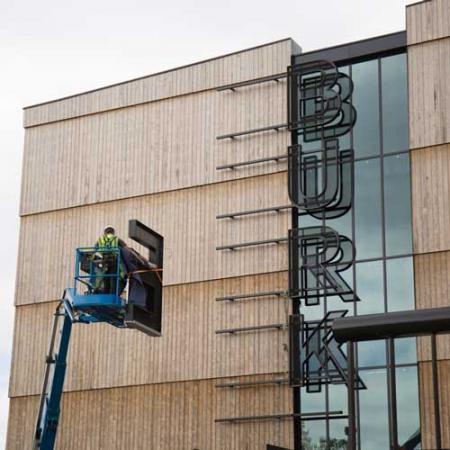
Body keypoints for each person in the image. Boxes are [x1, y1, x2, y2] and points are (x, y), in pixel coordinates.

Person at [92, 226, 127, 295]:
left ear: (105, 232)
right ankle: (112, 295)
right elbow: (126, 248)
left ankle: (102, 292)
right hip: (114, 261)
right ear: (113, 232)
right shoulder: (116, 239)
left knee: (105, 279)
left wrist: (92, 258)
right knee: (113, 279)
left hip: (104, 261)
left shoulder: (100, 239)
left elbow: (94, 249)